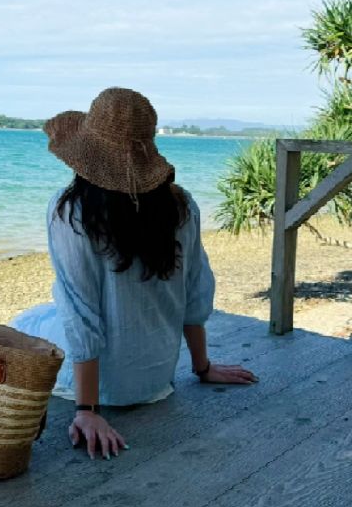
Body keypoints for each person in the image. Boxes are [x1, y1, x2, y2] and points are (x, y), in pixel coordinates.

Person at [13, 87, 257, 460]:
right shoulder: (181, 205)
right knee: (51, 312)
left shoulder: (71, 211)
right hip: (157, 377)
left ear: (84, 153)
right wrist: (203, 367)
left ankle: (85, 397)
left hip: (105, 389)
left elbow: (81, 314)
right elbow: (196, 291)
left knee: (26, 320)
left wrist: (87, 411)